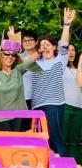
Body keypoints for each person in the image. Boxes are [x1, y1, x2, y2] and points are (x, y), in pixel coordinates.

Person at [21, 9, 76, 157]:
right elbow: (20, 67)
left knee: (55, 137)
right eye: (43, 45)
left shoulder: (60, 60)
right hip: (37, 105)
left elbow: (64, 43)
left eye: (48, 45)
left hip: (54, 104)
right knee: (41, 139)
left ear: (54, 48)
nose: (45, 47)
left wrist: (66, 24)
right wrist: (37, 52)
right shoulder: (35, 63)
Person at [0, 32, 38, 130]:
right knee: (4, 142)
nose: (10, 57)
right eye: (7, 54)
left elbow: (31, 59)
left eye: (13, 55)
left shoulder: (18, 69)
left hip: (16, 113)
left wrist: (42, 49)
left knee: (14, 140)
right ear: (1, 55)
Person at [63, 45, 82, 163]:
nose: (71, 53)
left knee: (75, 139)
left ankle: (76, 164)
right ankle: (62, 164)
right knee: (63, 137)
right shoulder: (61, 68)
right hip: (65, 106)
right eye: (68, 50)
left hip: (79, 108)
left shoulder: (80, 69)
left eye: (73, 50)